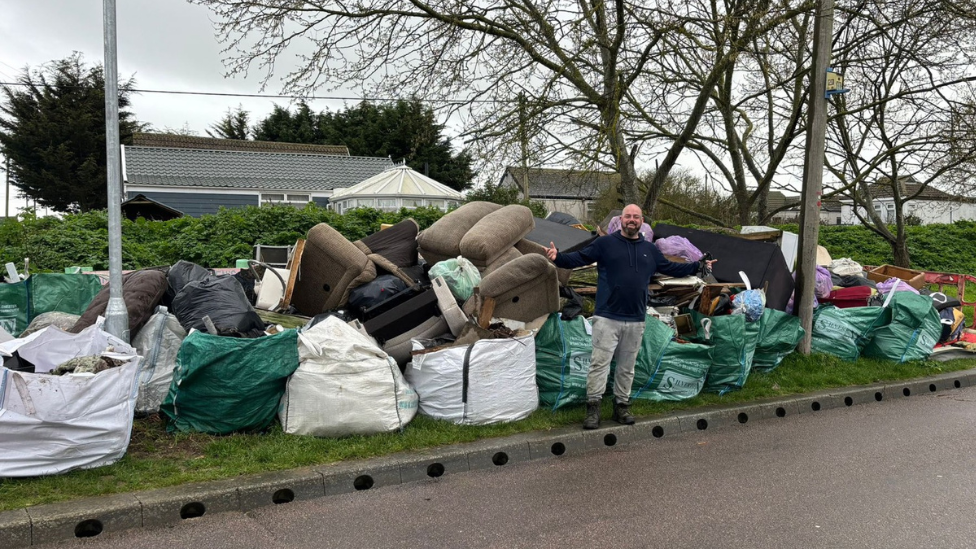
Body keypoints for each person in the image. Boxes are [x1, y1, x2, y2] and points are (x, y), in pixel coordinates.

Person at [545, 204, 715, 429]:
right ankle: (593, 409)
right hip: (607, 317)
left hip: (636, 319)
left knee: (627, 366)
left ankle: (621, 406)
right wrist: (558, 258)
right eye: (628, 216)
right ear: (621, 220)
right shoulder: (605, 243)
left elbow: (672, 268)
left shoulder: (650, 249)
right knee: (599, 364)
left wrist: (698, 266)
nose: (631, 220)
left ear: (642, 221)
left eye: (636, 217)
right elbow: (580, 258)